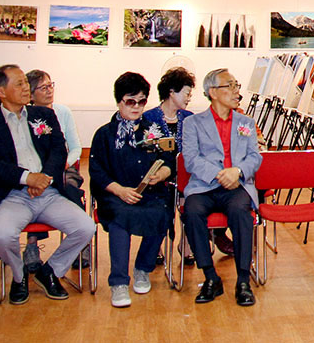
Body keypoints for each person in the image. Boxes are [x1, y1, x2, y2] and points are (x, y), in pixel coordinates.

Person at [0, 64, 95, 305]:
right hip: (12, 196)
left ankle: (50, 272)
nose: (26, 88)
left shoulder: (44, 115)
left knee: (85, 227)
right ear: (1, 92)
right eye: (19, 84)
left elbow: (59, 150)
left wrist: (44, 177)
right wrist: (28, 178)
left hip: (48, 193)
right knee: (2, 237)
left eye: (26, 83)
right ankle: (19, 277)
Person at [90, 72, 176, 307]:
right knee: (120, 217)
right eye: (130, 101)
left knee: (162, 211)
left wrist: (162, 174)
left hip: (149, 192)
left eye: (142, 101)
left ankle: (143, 268)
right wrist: (120, 190)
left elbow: (170, 161)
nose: (137, 107)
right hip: (115, 195)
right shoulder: (104, 134)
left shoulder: (154, 130)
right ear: (119, 101)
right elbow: (97, 171)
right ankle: (118, 282)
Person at [181, 68, 261, 306]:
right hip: (204, 186)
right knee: (192, 212)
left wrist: (237, 172)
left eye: (237, 85)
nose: (237, 91)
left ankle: (243, 281)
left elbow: (255, 157)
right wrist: (220, 175)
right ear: (213, 92)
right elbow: (191, 159)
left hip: (237, 185)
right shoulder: (192, 123)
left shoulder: (246, 122)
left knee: (240, 212)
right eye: (230, 85)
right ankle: (210, 277)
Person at [24, 69, 87, 270]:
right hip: (37, 170)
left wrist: (63, 164)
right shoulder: (25, 116)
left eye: (50, 85)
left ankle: (80, 245)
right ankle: (32, 245)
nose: (49, 90)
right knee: (34, 191)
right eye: (43, 88)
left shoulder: (63, 112)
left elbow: (76, 147)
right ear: (31, 95)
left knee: (70, 188)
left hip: (64, 167)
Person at [141, 67, 199, 263]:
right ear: (172, 92)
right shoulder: (148, 118)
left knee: (193, 198)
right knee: (156, 197)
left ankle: (186, 244)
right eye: (187, 93)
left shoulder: (189, 118)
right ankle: (155, 245)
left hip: (185, 175)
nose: (189, 98)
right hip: (158, 175)